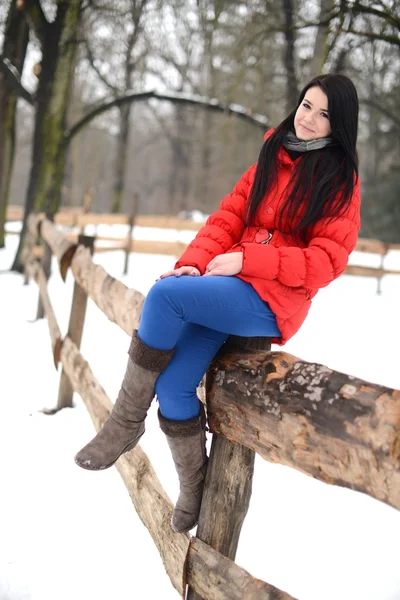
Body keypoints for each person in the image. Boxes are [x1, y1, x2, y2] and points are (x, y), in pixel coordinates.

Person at [75, 74, 361, 533]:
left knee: (165, 297)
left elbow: (326, 261)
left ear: (339, 123)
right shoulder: (273, 152)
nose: (308, 118)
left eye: (324, 113)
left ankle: (124, 423)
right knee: (173, 388)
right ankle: (195, 487)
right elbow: (227, 218)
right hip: (226, 286)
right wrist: (195, 262)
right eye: (307, 105)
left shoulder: (339, 181)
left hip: (272, 297)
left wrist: (249, 258)